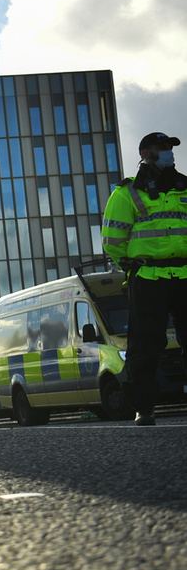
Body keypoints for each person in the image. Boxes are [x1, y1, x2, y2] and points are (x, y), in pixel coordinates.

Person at [102, 131, 187, 426]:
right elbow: (112, 240)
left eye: (170, 148)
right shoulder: (126, 193)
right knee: (145, 345)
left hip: (185, 273)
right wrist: (131, 265)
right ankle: (144, 408)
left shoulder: (184, 187)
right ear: (145, 153)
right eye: (161, 148)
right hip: (149, 277)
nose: (168, 153)